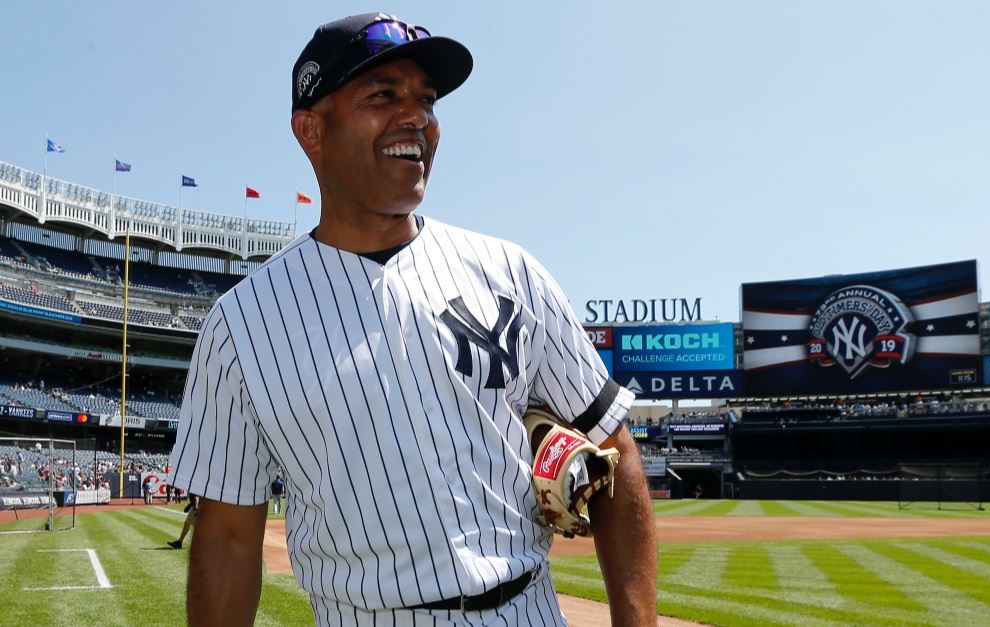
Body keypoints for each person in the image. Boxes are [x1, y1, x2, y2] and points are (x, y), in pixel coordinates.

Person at [167, 13, 656, 626]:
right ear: (310, 130)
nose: (417, 117)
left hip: (528, 608)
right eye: (383, 95)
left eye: (426, 99)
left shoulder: (509, 270)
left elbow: (615, 449)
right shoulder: (241, 326)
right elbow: (230, 537)